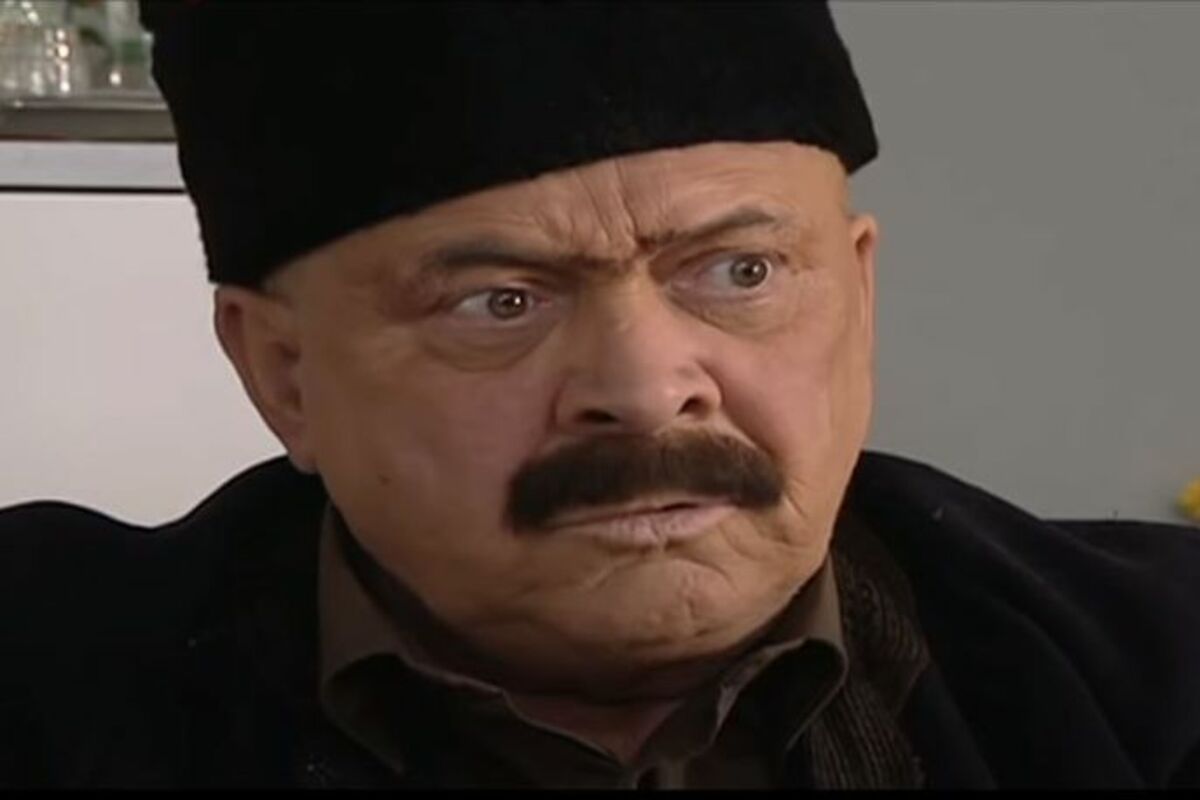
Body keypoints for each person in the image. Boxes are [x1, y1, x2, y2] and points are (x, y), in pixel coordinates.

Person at [2, 1, 1198, 789]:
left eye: (740, 273)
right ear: (283, 373)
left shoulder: (1156, 680)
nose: (646, 389)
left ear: (860, 293)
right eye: (499, 301)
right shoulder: (46, 693)